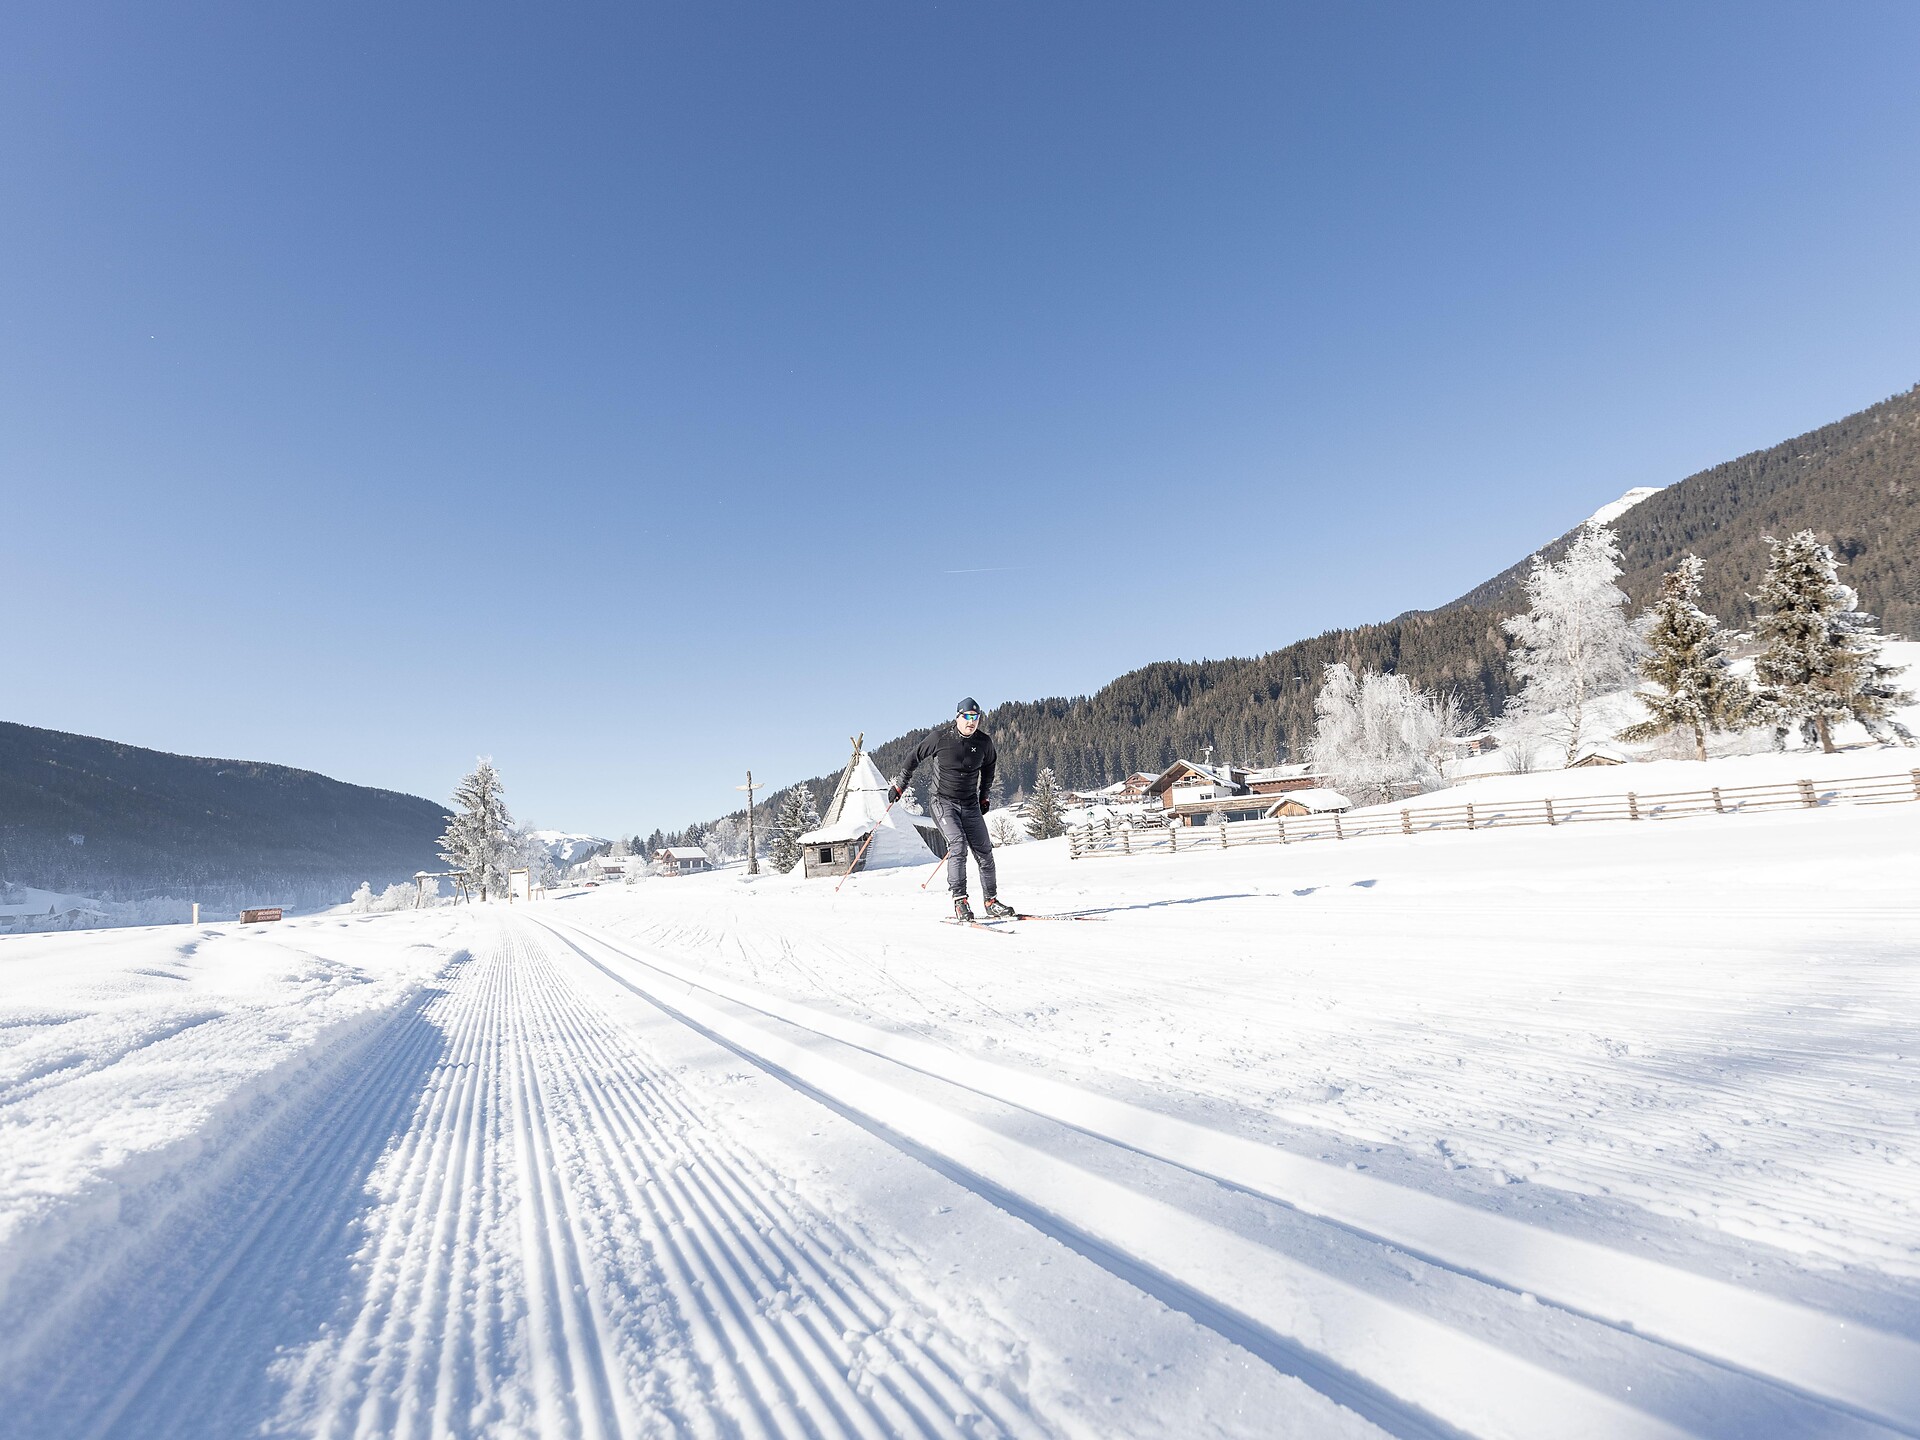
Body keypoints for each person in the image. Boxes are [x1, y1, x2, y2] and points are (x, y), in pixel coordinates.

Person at [891, 698, 1014, 923]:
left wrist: (984, 796)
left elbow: (989, 770)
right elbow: (914, 757)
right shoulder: (940, 738)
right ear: (958, 716)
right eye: (967, 716)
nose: (971, 721)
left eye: (975, 717)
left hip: (969, 804)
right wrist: (900, 784)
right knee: (958, 844)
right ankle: (960, 901)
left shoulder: (984, 742)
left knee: (985, 851)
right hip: (942, 802)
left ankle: (991, 902)